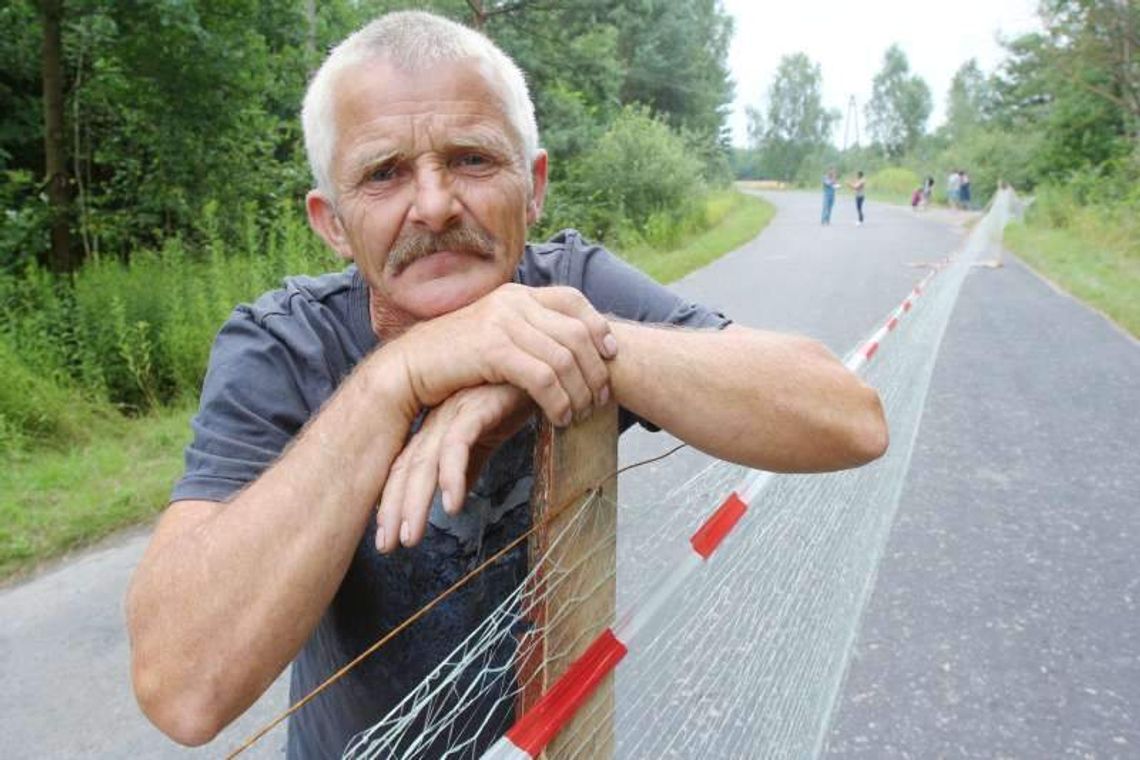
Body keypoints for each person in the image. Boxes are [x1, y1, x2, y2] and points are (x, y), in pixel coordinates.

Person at [125, 11, 888, 757]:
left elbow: (848, 419)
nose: (434, 204)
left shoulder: (573, 287)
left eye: (472, 160)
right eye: (384, 174)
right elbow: (184, 690)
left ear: (534, 185)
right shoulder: (286, 343)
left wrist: (571, 348)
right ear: (331, 222)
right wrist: (395, 379)